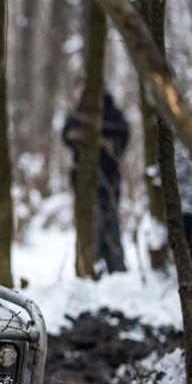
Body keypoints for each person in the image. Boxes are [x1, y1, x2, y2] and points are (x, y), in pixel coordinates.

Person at [61, 88, 130, 273]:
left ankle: (107, 266)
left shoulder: (103, 115)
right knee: (97, 225)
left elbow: (122, 141)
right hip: (89, 180)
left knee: (108, 225)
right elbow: (66, 136)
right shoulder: (80, 114)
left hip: (107, 180)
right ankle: (96, 265)